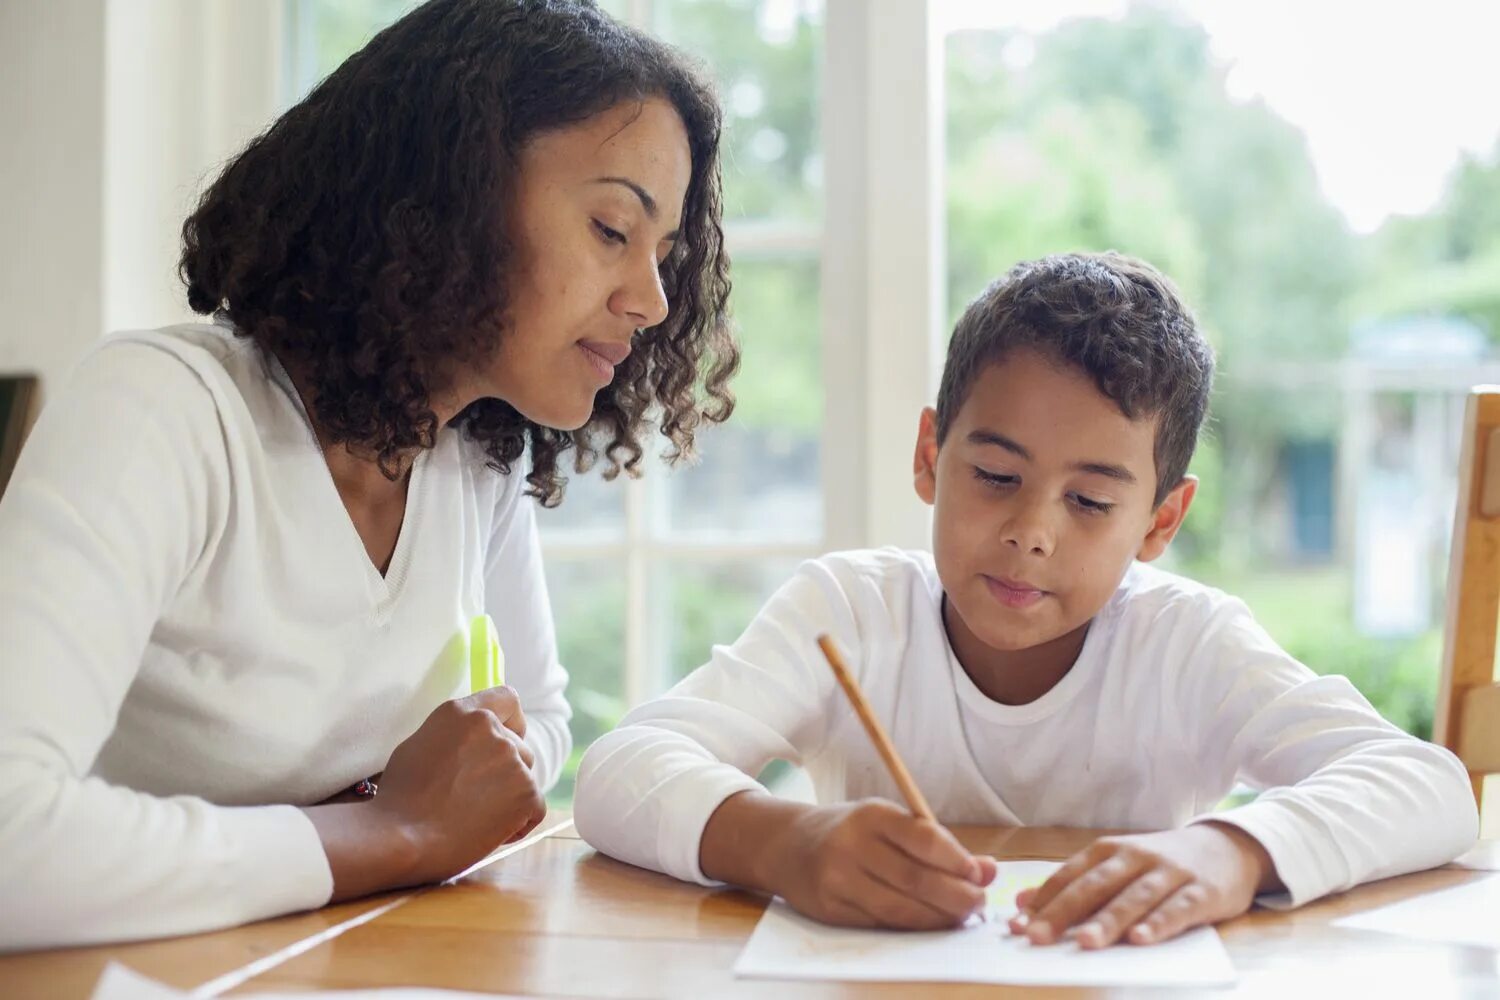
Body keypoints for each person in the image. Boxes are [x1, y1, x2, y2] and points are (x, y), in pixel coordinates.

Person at [0, 0, 735, 950]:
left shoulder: (476, 458)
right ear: (451, 190)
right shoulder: (162, 411)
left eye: (665, 254)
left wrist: (416, 808)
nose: (650, 300)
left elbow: (537, 726)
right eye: (610, 228)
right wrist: (389, 828)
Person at [574, 251, 1478, 949]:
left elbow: (1427, 785)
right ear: (931, 456)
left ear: (1161, 522)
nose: (1033, 532)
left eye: (1090, 502)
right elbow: (620, 770)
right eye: (997, 474)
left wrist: (1231, 852)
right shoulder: (849, 611)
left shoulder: (1186, 644)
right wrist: (783, 844)